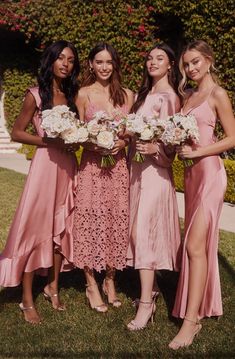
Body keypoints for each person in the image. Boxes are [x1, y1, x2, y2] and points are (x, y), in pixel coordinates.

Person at [0, 40, 80, 324]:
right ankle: (26, 298)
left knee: (62, 227)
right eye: (60, 58)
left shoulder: (73, 97)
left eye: (70, 60)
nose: (65, 64)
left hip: (68, 166)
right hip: (44, 168)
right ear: (51, 61)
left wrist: (73, 141)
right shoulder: (35, 95)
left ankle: (53, 287)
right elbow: (17, 133)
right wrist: (48, 140)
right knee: (34, 229)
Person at [169, 40, 235, 350]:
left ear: (208, 60)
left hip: (210, 174)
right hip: (192, 178)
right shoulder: (188, 97)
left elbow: (232, 138)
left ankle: (191, 322)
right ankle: (198, 306)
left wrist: (200, 152)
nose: (191, 68)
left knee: (195, 245)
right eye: (186, 65)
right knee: (194, 247)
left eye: (195, 62)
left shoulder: (218, 94)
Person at [73, 42, 133, 312]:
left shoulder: (127, 95)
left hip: (118, 167)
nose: (104, 67)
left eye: (109, 62)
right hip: (91, 167)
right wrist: (93, 144)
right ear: (91, 64)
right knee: (89, 218)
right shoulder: (83, 94)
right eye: (99, 62)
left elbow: (131, 132)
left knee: (115, 219)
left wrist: (123, 143)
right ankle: (90, 283)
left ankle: (110, 279)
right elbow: (75, 134)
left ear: (115, 64)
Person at [126, 43, 181, 330]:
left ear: (171, 64)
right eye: (149, 57)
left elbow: (171, 146)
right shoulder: (144, 95)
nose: (152, 62)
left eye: (160, 58)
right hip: (137, 171)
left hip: (155, 174)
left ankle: (146, 304)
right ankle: (153, 289)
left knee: (141, 234)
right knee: (136, 234)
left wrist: (154, 149)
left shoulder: (170, 97)